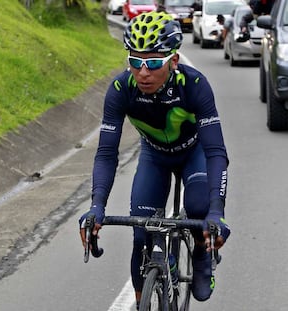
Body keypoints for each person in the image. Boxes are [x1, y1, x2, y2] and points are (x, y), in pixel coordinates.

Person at [79, 11, 231, 309]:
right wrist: (97, 205)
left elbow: (216, 152)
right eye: (135, 62)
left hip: (194, 153)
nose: (143, 72)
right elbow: (107, 153)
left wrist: (217, 212)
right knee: (141, 234)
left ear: (173, 61)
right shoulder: (121, 90)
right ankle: (142, 303)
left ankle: (201, 253)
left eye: (152, 63)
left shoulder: (195, 85)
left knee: (199, 208)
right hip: (155, 156)